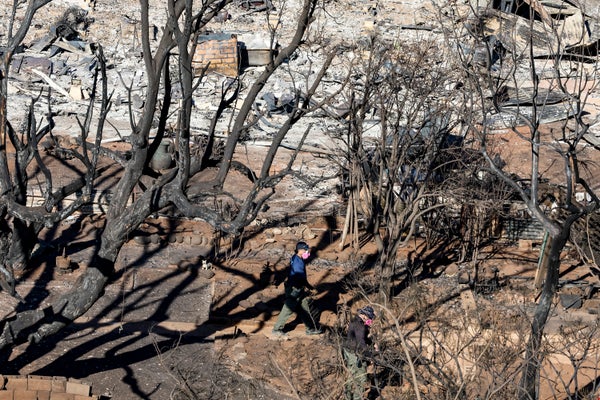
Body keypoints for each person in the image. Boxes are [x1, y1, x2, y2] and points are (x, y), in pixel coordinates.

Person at [272, 241, 322, 337]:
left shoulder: (297, 258)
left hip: (298, 288)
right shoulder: (298, 262)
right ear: (300, 250)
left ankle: (310, 328)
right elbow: (299, 277)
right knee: (288, 308)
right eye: (305, 249)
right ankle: (277, 329)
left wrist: (308, 286)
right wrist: (305, 286)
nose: (307, 251)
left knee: (304, 307)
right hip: (295, 288)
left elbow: (301, 277)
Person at [342, 305, 377, 400]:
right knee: (361, 378)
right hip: (355, 354)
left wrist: (372, 343)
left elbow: (362, 336)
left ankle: (347, 397)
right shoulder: (359, 326)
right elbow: (361, 343)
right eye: (369, 318)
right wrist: (371, 356)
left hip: (350, 351)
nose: (370, 320)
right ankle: (357, 398)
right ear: (365, 315)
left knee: (351, 376)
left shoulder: (356, 320)